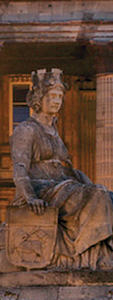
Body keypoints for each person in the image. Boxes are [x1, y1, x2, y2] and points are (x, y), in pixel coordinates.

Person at [10, 68, 113, 269]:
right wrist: (30, 197)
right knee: (99, 195)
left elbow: (68, 169)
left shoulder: (54, 132)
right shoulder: (26, 129)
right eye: (52, 96)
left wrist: (87, 183)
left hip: (64, 186)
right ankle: (87, 255)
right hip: (43, 189)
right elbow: (20, 169)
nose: (57, 101)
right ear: (39, 99)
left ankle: (100, 256)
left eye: (60, 96)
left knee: (109, 196)